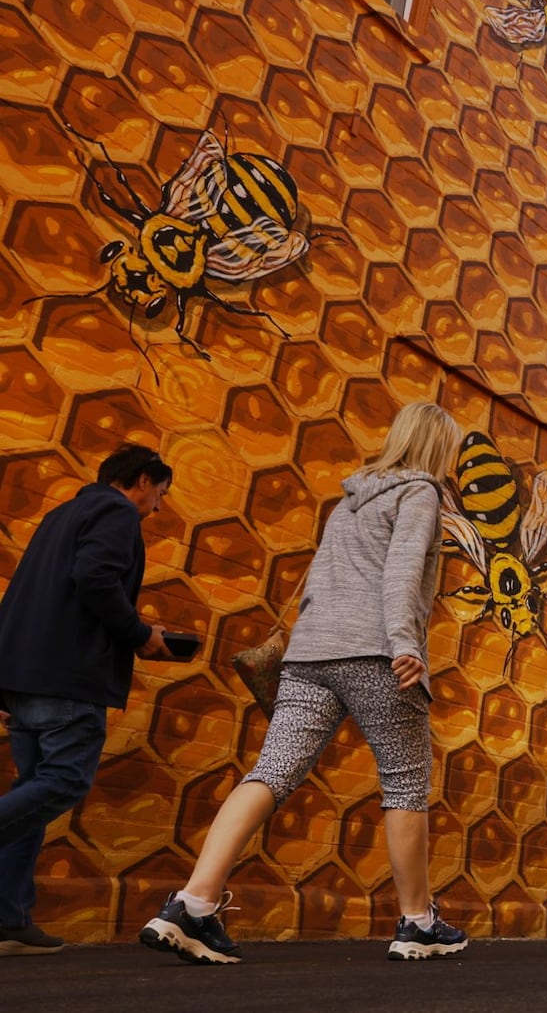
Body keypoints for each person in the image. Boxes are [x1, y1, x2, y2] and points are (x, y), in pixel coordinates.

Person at [139, 402, 467, 965]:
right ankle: (417, 922)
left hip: (309, 654)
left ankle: (192, 902)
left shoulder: (351, 498)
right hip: (376, 652)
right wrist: (405, 642)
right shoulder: (421, 493)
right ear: (438, 447)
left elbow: (319, 579)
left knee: (270, 772)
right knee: (406, 783)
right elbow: (402, 572)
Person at [0, 443, 175, 955]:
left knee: (32, 799)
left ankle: (9, 918)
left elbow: (21, 596)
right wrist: (139, 633)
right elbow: (96, 579)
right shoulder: (115, 510)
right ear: (142, 479)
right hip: (67, 679)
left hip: (25, 678)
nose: (157, 507)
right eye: (159, 494)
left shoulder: (61, 515)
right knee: (64, 780)